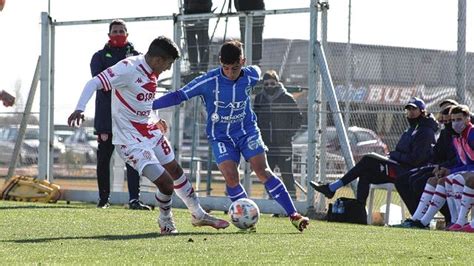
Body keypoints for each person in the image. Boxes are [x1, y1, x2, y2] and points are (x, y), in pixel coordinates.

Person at [68, 36, 229, 234]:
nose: (168, 69)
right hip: (130, 140)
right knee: (166, 183)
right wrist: (80, 108)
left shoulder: (152, 72)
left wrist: (155, 118)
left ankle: (198, 214)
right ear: (158, 60)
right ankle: (165, 220)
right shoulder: (127, 68)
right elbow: (93, 82)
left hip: (150, 132)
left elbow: (143, 100)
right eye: (169, 64)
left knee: (176, 171)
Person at [152, 40, 309, 232]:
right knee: (231, 178)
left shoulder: (251, 75)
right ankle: (246, 221)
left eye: (234, 68)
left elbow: (258, 70)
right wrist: (150, 105)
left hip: (247, 131)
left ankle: (293, 214)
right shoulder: (208, 81)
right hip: (220, 137)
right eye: (225, 68)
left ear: (242, 62)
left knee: (262, 171)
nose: (230, 72)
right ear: (220, 63)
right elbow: (179, 95)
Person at [310, 97, 438, 206]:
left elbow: (416, 160)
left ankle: (332, 187)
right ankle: (359, 211)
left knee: (368, 159)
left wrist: (394, 155)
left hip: (408, 172)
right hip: (399, 166)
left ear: (422, 111)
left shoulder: (425, 131)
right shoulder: (412, 128)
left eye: (414, 109)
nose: (410, 112)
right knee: (365, 174)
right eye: (408, 109)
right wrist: (393, 156)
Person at [90, 19, 150, 210]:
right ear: (109, 35)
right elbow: (101, 83)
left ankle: (134, 199)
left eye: (121, 31)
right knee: (104, 159)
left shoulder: (137, 57)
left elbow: (142, 82)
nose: (118, 34)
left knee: (133, 158)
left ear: (127, 34)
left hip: (129, 118)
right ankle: (103, 199)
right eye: (114, 31)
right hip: (106, 117)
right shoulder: (99, 57)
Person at [397, 105, 474, 230]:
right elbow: (461, 162)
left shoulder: (471, 134)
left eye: (458, 120)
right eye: (452, 120)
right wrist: (444, 169)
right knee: (433, 180)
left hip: (469, 171)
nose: (454, 124)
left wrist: (451, 170)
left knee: (451, 179)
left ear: (467, 119)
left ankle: (460, 221)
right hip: (465, 169)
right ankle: (420, 220)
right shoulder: (457, 137)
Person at [253, 70, 302, 199]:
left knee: (287, 174)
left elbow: (297, 118)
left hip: (283, 144)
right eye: (267, 84)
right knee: (268, 175)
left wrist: (288, 134)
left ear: (277, 83)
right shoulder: (260, 98)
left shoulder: (287, 98)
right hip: (266, 144)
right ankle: (273, 203)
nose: (269, 87)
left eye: (272, 83)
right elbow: (254, 119)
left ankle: (292, 201)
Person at [183, 0, 212, 73]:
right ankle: (196, 67)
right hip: (192, 11)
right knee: (194, 40)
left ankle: (200, 67)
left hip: (200, 11)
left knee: (201, 40)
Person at [234, 0, 265, 66]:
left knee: (256, 39)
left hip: (256, 9)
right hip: (244, 10)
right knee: (246, 39)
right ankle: (247, 61)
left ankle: (255, 63)